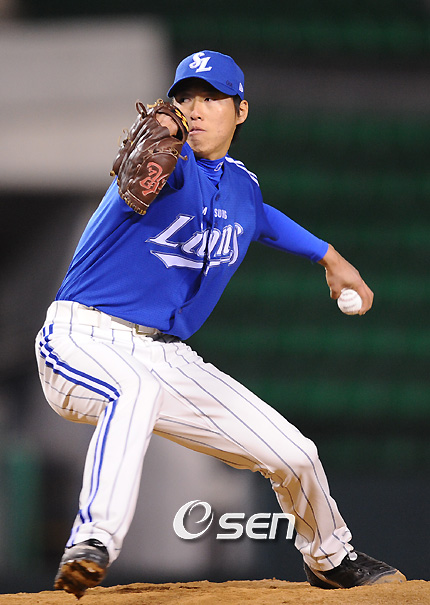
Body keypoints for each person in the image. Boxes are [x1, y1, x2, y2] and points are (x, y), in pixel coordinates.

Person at [35, 50, 405, 598]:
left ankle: (329, 557)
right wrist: (160, 144)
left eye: (212, 98)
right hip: (81, 338)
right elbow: (156, 170)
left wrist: (328, 255)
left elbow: (261, 217)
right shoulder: (165, 164)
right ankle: (93, 542)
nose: (196, 108)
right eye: (186, 97)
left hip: (165, 354)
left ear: (241, 110)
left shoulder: (240, 185)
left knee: (295, 454)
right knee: (132, 391)